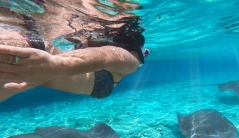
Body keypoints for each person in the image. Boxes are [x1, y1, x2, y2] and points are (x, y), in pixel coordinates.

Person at [0, 1, 150, 102]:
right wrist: (54, 65)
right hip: (35, 60)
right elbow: (105, 55)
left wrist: (55, 65)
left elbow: (107, 55)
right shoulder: (127, 63)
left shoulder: (130, 63)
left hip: (32, 56)